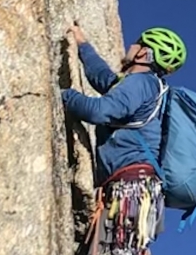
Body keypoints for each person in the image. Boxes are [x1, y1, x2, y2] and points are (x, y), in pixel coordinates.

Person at [62, 23, 188, 255]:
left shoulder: (141, 83)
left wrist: (62, 94)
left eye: (137, 42)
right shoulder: (147, 87)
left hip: (129, 190)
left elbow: (98, 111)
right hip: (138, 191)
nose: (131, 46)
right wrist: (82, 44)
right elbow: (105, 79)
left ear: (143, 52)